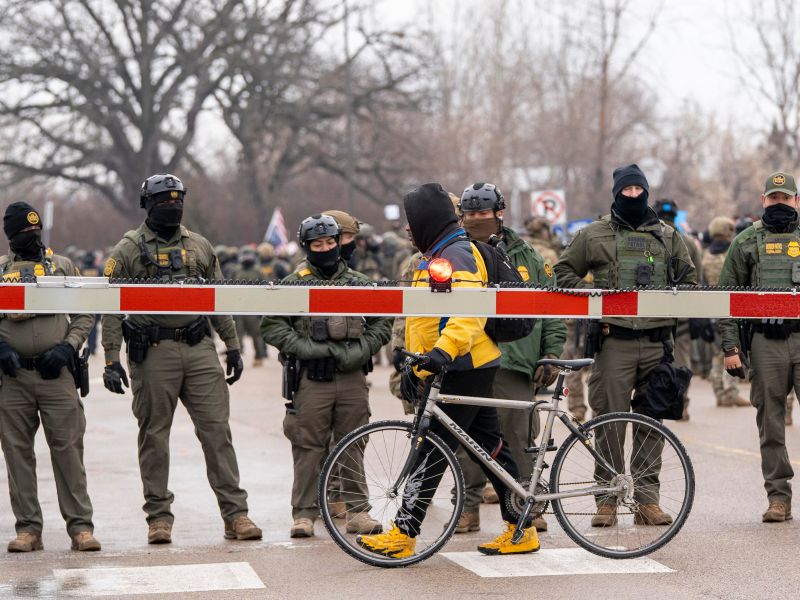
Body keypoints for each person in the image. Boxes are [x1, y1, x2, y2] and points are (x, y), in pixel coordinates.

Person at [357, 183, 540, 559]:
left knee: (432, 449)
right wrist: (415, 361)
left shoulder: (457, 252)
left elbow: (468, 312)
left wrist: (440, 354)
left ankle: (403, 535)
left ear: (427, 220)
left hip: (463, 364)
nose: (407, 229)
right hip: (462, 362)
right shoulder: (436, 253)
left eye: (412, 221)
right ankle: (521, 527)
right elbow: (427, 316)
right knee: (491, 449)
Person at [101, 173, 261, 544]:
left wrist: (233, 345)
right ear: (148, 206)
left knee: (217, 432)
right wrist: (111, 358)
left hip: (199, 349)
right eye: (163, 202)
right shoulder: (127, 249)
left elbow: (218, 297)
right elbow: (110, 305)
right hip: (153, 352)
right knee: (155, 437)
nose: (172, 207)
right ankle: (158, 517)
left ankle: (235, 515)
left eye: (177, 201)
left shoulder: (200, 246)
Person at [555, 164, 697, 527]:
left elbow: (690, 280)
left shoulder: (668, 237)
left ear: (646, 192)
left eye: (638, 190)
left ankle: (648, 501)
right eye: (627, 191)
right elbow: (563, 272)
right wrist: (596, 298)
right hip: (613, 341)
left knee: (652, 424)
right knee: (609, 425)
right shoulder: (594, 233)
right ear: (616, 193)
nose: (633, 196)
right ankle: (607, 499)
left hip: (656, 343)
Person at [261, 214, 392, 538]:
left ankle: (358, 511)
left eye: (331, 243)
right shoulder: (294, 283)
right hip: (311, 379)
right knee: (308, 446)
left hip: (351, 377)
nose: (326, 249)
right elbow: (272, 325)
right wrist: (307, 347)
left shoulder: (359, 283)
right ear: (307, 247)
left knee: (353, 443)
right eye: (317, 244)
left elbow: (382, 324)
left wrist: (362, 348)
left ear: (339, 243)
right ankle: (304, 514)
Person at [453, 183, 566, 535]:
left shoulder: (528, 256)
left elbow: (551, 305)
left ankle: (529, 507)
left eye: (482, 214)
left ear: (499, 213)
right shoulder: (456, 254)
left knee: (520, 440)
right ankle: (466, 509)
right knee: (468, 442)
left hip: (517, 361)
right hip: (469, 357)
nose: (476, 220)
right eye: (469, 215)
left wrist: (550, 352)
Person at [0, 202, 100, 552]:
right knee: (17, 454)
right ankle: (28, 529)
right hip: (12, 378)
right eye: (24, 234)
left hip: (56, 373)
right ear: (10, 237)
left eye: (35, 232)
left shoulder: (62, 267)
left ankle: (80, 528)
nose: (32, 239)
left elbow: (85, 312)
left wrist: (69, 346)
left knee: (68, 450)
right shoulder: (0, 270)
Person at [718, 171, 800, 523]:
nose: (779, 203)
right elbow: (726, 298)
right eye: (773, 198)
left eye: (785, 198)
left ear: (796, 201)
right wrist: (730, 347)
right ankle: (778, 497)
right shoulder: (746, 241)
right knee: (771, 422)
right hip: (765, 342)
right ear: (763, 201)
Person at [654, 199, 702, 420]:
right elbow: (697, 278)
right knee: (681, 359)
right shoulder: (689, 242)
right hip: (681, 312)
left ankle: (654, 405)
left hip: (653, 313)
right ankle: (682, 405)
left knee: (653, 361)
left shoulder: (650, 236)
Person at [702, 217, 749, 408]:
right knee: (732, 349)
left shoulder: (706, 255)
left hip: (710, 309)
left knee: (716, 354)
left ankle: (719, 392)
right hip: (730, 307)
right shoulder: (732, 252)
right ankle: (731, 391)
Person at [232, 246, 268, 365]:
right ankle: (235, 356)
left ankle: (258, 356)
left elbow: (265, 288)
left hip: (253, 307)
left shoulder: (258, 271)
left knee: (256, 334)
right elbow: (229, 286)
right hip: (239, 306)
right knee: (237, 333)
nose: (247, 257)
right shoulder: (236, 270)